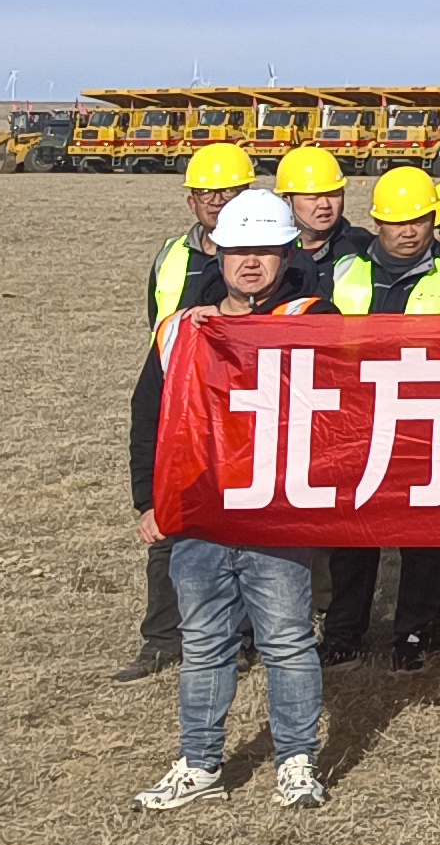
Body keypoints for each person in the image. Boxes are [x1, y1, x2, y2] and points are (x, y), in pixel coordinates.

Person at [133, 190, 337, 813]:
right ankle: (199, 763)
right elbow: (148, 418)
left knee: (287, 640)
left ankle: (296, 761)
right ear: (216, 253)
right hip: (201, 511)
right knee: (203, 642)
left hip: (278, 513)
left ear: (287, 255)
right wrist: (148, 500)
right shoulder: (181, 331)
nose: (251, 263)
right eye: (239, 250)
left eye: (265, 251)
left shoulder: (314, 320)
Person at [121, 141, 257, 680]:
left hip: (241, 406)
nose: (216, 200)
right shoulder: (171, 256)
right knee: (169, 519)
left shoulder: (265, 254)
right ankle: (162, 640)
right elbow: (157, 325)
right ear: (190, 200)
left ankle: (239, 637)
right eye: (206, 192)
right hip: (181, 395)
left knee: (242, 526)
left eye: (228, 191)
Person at [327, 166, 440, 670]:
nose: (409, 231)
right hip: (355, 419)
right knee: (352, 534)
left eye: (419, 220)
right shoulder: (343, 270)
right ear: (378, 222)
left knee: (421, 535)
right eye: (397, 221)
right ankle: (343, 632)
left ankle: (413, 633)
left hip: (424, 422)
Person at [276, 146, 368, 297]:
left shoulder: (363, 248)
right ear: (287, 200)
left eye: (333, 195)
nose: (324, 204)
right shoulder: (271, 252)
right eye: (312, 197)